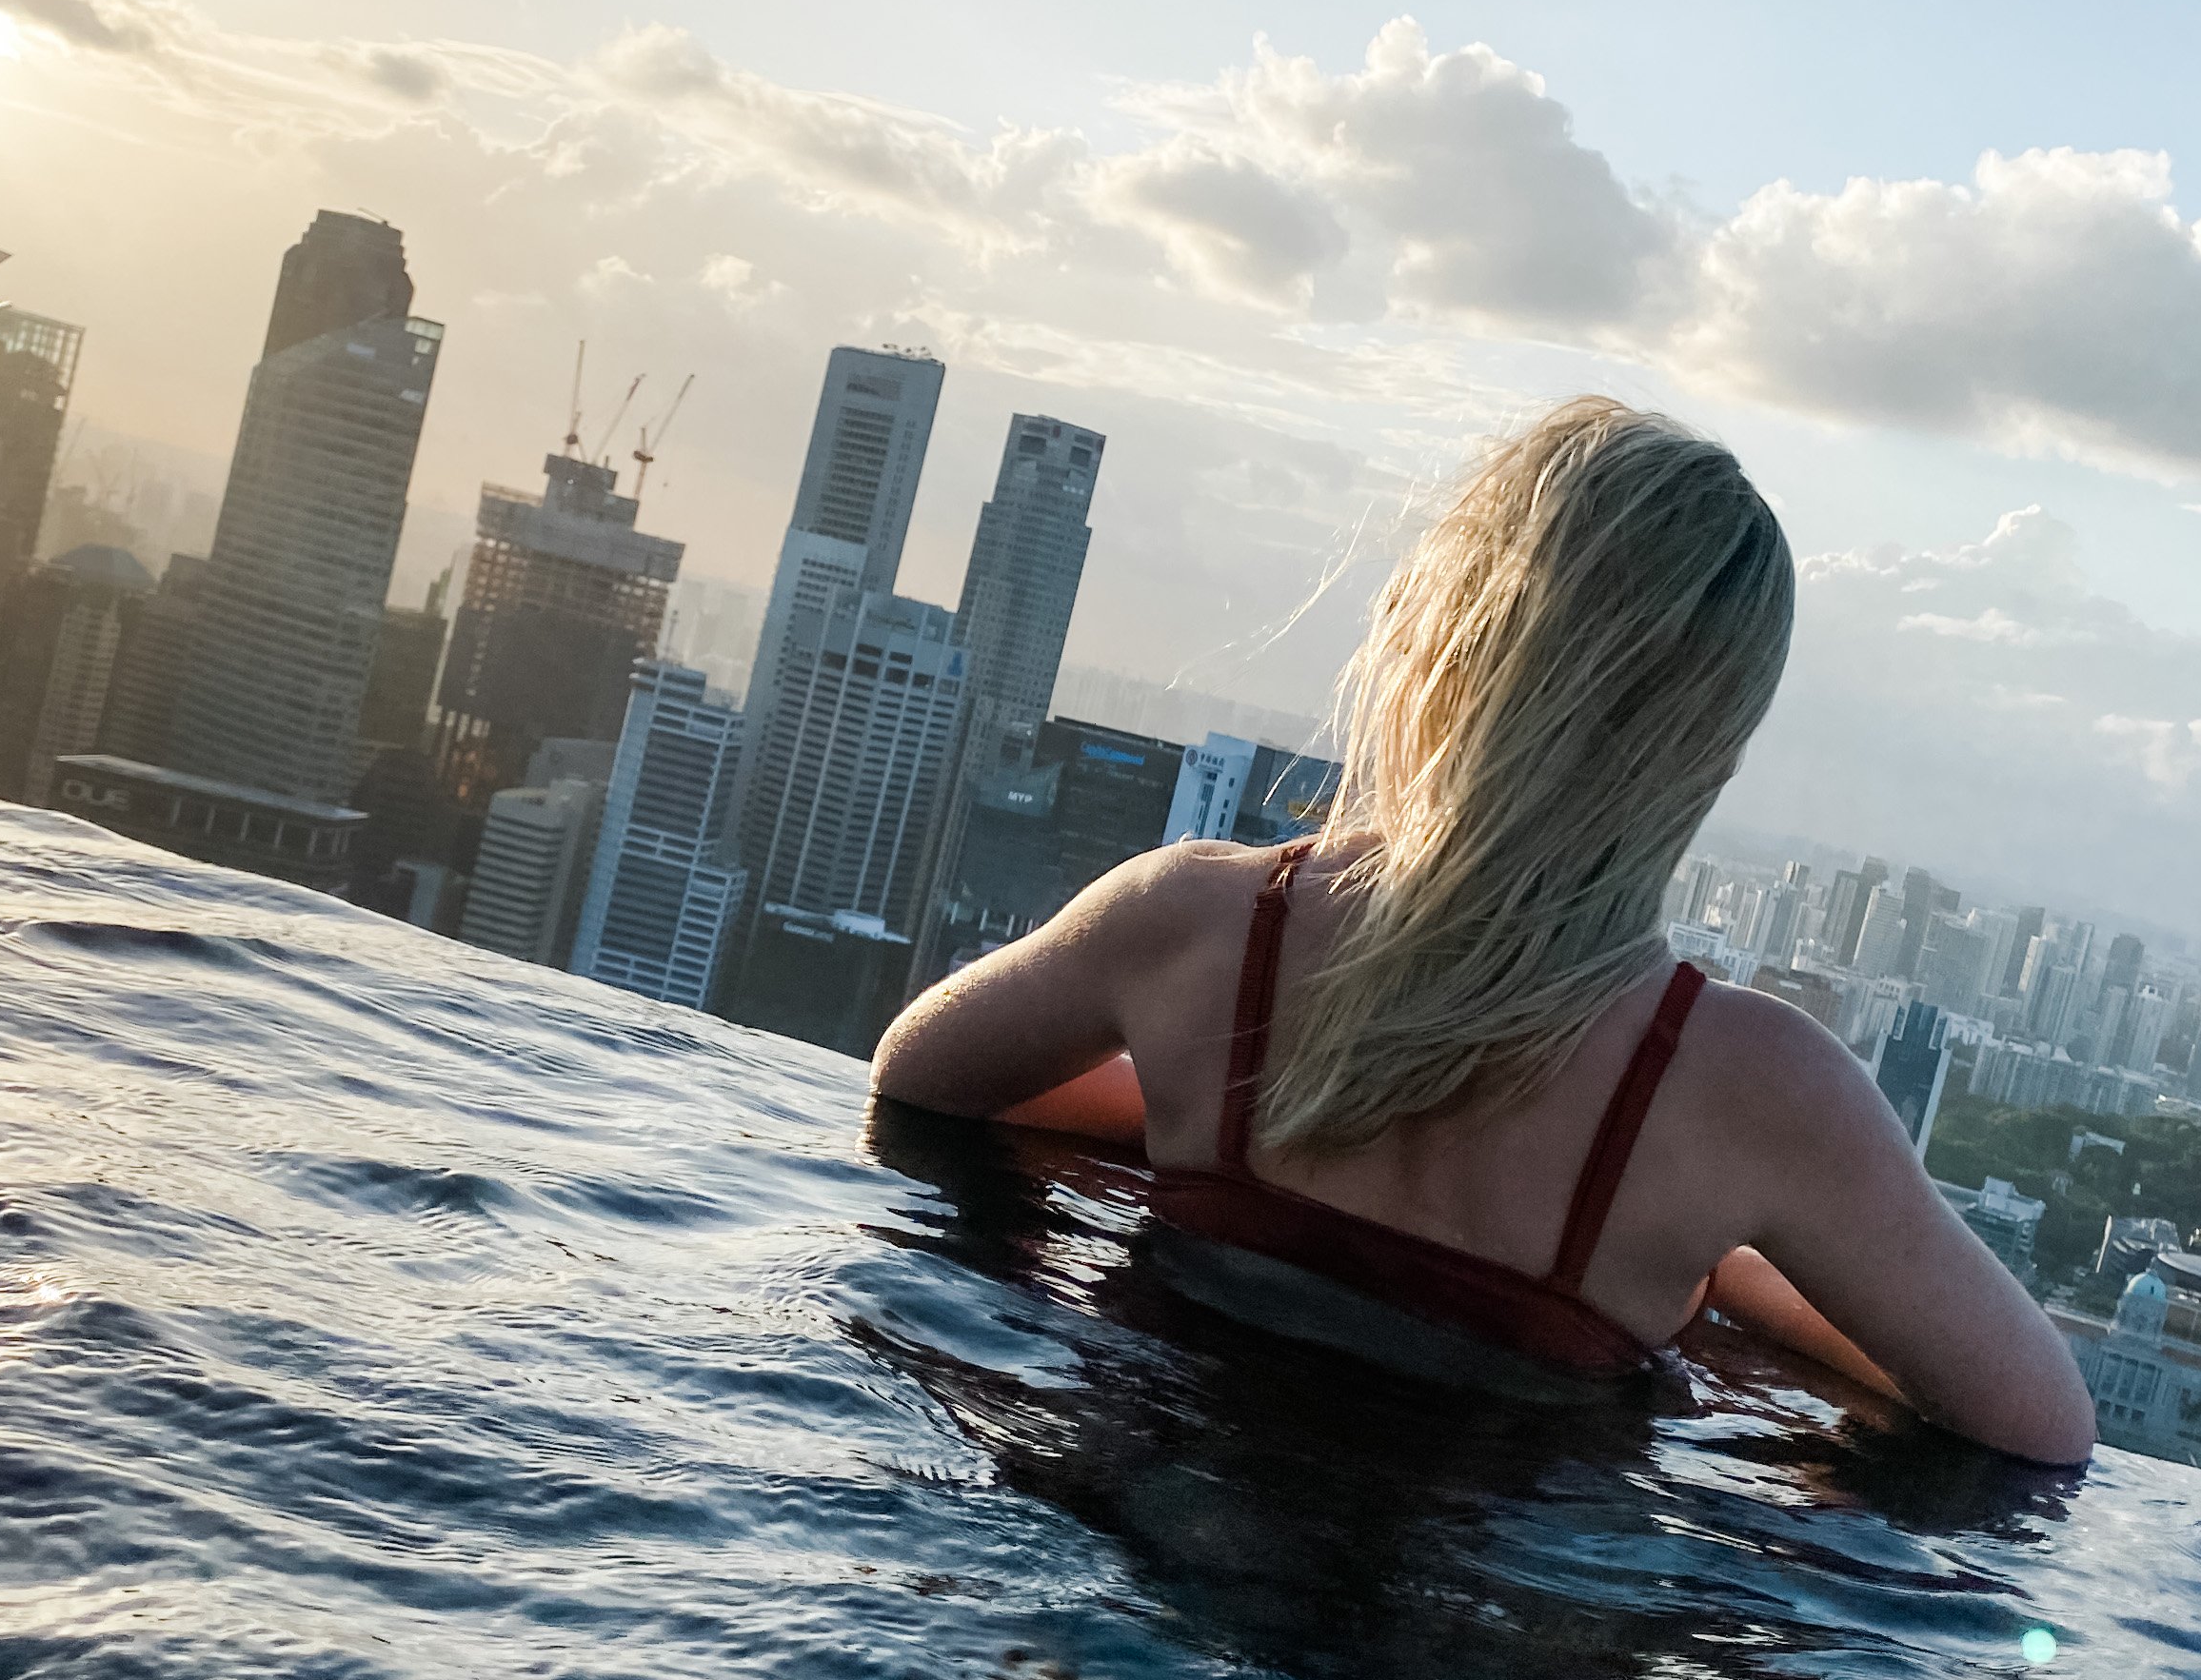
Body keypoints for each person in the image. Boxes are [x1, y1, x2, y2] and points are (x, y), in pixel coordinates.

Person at [869, 396, 2096, 1466]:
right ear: (1711, 753)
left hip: (1132, 1552)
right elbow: (2037, 1424)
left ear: (1430, 642)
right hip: (1475, 1658)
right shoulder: (1757, 1098)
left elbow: (919, 1076)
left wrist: (1219, 1112)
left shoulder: (1202, 922)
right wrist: (1719, 1270)